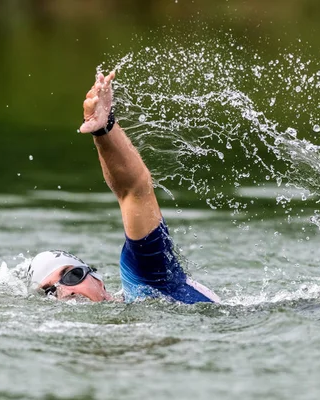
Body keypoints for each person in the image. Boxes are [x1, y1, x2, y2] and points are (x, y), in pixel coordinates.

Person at [27, 71, 219, 304]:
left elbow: (134, 191)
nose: (64, 292)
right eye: (49, 292)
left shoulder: (145, 281)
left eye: (71, 276)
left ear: (96, 278)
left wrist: (103, 129)